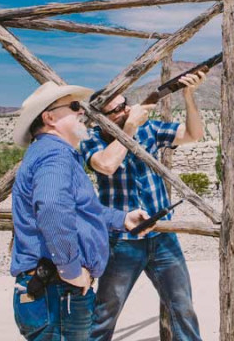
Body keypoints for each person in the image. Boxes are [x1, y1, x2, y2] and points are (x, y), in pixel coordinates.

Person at [10, 81, 149, 341]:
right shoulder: (55, 156)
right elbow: (51, 208)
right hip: (59, 293)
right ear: (49, 118)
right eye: (74, 106)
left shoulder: (51, 153)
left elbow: (76, 211)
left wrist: (122, 218)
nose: (82, 112)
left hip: (55, 293)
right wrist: (71, 271)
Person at [82, 71, 207, 341]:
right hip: (121, 240)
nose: (126, 109)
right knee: (105, 315)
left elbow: (193, 134)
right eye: (116, 110)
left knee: (182, 308)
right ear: (101, 119)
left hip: (162, 236)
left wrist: (188, 95)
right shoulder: (92, 140)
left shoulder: (148, 130)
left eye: (125, 103)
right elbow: (106, 164)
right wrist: (128, 130)